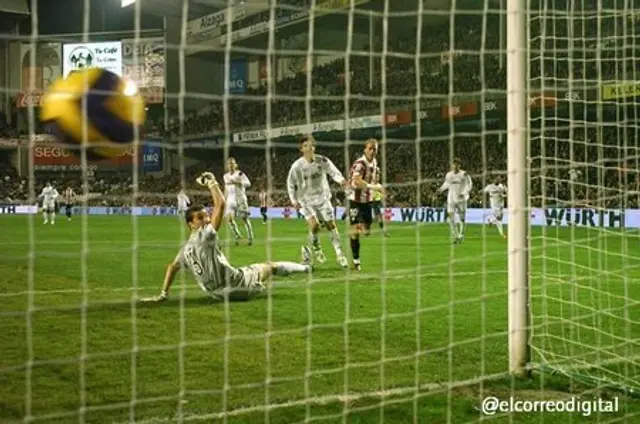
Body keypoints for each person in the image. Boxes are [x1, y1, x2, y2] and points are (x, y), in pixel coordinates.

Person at [141, 172, 313, 303]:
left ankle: (297, 269)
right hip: (236, 284)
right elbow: (221, 204)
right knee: (269, 266)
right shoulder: (205, 235)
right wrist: (211, 181)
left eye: (206, 215)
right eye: (200, 217)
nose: (207, 219)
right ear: (191, 225)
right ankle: (306, 267)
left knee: (255, 268)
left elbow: (172, 267)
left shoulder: (185, 250)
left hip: (216, 293)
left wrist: (163, 294)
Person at [287, 135, 349, 268]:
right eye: (305, 146)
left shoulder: (322, 161)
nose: (308, 147)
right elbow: (290, 184)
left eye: (311, 145)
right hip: (306, 201)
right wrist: (293, 200)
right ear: (301, 149)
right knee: (314, 226)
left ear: (314, 147)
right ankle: (317, 247)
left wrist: (342, 181)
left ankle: (340, 254)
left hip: (323, 199)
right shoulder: (297, 166)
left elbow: (334, 172)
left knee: (331, 225)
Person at [438, 158, 473, 244]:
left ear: (459, 165)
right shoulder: (449, 175)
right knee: (451, 218)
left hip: (461, 199)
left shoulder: (464, 174)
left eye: (457, 164)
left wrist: (465, 192)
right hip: (451, 199)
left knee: (462, 219)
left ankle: (461, 235)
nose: (455, 166)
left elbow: (470, 184)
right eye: (454, 164)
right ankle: (455, 236)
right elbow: (447, 183)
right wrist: (441, 189)